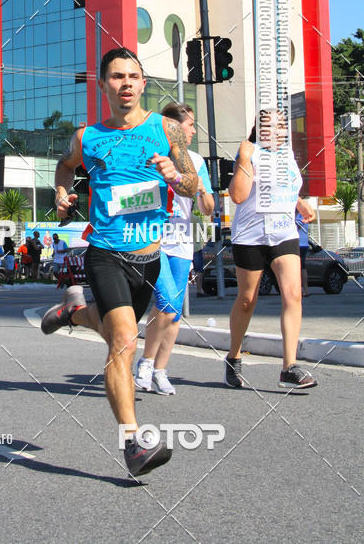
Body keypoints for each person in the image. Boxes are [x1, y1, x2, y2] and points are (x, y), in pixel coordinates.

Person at [41, 47, 198, 477]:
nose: (125, 83)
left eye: (133, 76)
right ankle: (133, 443)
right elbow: (63, 166)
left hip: (148, 256)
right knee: (124, 341)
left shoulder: (167, 129)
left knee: (111, 324)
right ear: (103, 84)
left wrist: (175, 176)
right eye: (116, 76)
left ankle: (74, 313)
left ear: (143, 83)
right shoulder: (86, 136)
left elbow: (194, 188)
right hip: (106, 252)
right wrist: (61, 192)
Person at [225, 108, 317, 390]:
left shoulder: (287, 154)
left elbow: (285, 186)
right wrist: (243, 158)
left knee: (293, 294)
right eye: (271, 127)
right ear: (258, 129)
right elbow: (238, 195)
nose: (278, 132)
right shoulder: (249, 151)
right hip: (250, 236)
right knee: (247, 299)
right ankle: (234, 356)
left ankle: (289, 367)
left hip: (284, 233)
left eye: (282, 127)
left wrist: (299, 202)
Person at [135, 103, 214, 395]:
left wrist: (203, 189)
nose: (193, 130)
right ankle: (145, 362)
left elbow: (207, 208)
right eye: (190, 124)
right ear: (172, 125)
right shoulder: (152, 153)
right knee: (167, 302)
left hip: (182, 241)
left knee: (174, 313)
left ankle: (159, 370)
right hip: (153, 238)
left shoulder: (196, 160)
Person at [296, 210, 310, 297]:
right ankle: (300, 289)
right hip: (297, 243)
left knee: (301, 267)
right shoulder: (295, 215)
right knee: (298, 267)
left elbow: (297, 226)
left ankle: (305, 289)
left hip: (301, 244)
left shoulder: (302, 215)